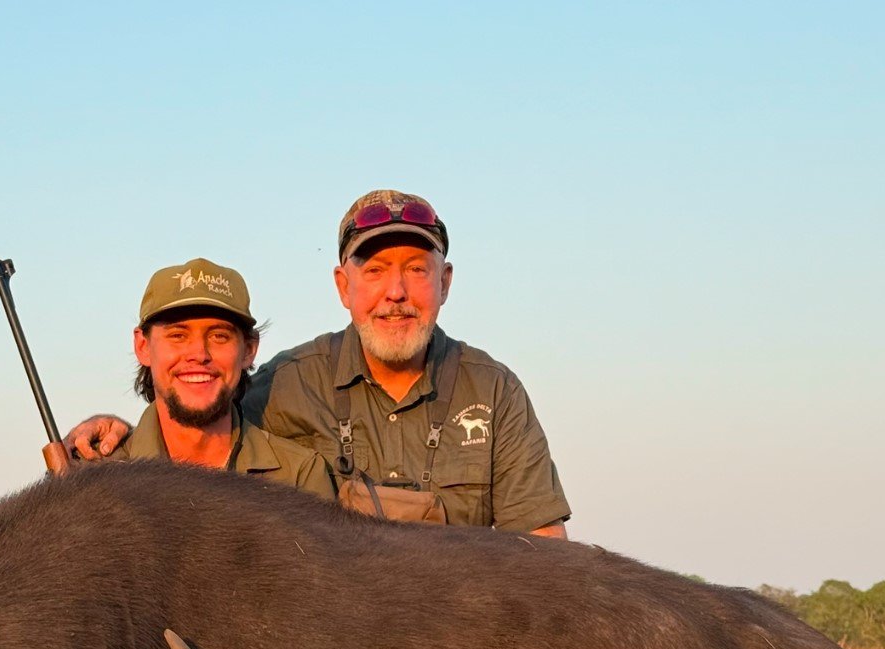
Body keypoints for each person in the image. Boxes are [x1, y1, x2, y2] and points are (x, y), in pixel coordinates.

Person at [69, 192, 568, 535]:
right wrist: (116, 434)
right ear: (342, 286)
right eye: (374, 271)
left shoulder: (494, 392)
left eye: (417, 270)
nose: (396, 293)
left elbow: (544, 557)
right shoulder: (285, 382)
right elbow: (200, 409)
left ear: (445, 282)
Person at [105, 257, 333, 500]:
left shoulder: (299, 476)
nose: (199, 354)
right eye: (178, 335)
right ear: (143, 346)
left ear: (248, 349)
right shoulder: (96, 473)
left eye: (219, 336)